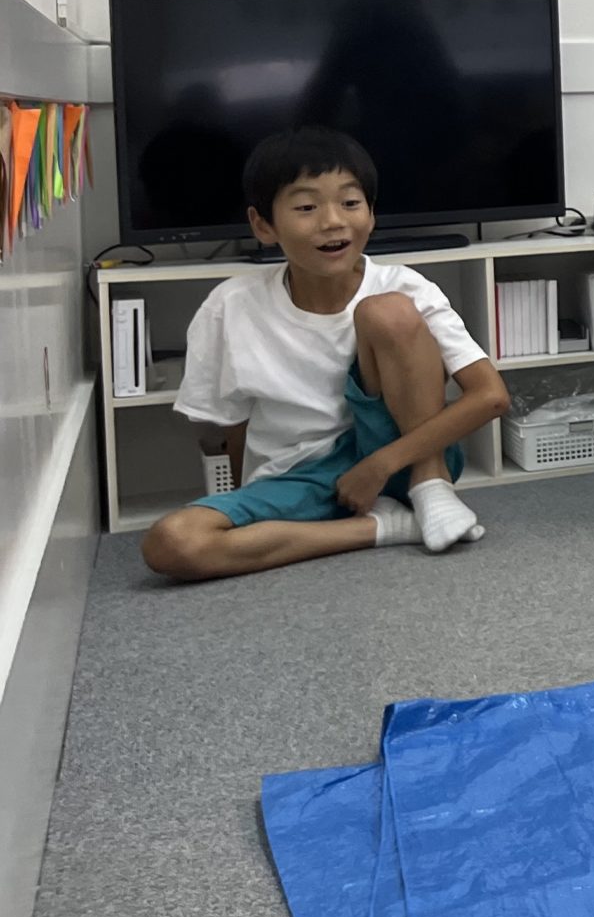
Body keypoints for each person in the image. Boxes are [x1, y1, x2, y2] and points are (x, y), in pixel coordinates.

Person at [142, 128, 507, 581]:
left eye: (350, 202)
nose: (333, 221)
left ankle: (430, 489)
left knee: (388, 312)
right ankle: (387, 527)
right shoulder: (230, 305)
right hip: (294, 478)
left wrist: (380, 464)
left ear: (371, 213)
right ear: (263, 225)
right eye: (306, 207)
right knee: (172, 543)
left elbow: (491, 396)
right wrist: (240, 509)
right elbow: (233, 424)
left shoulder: (404, 286)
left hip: (404, 460)